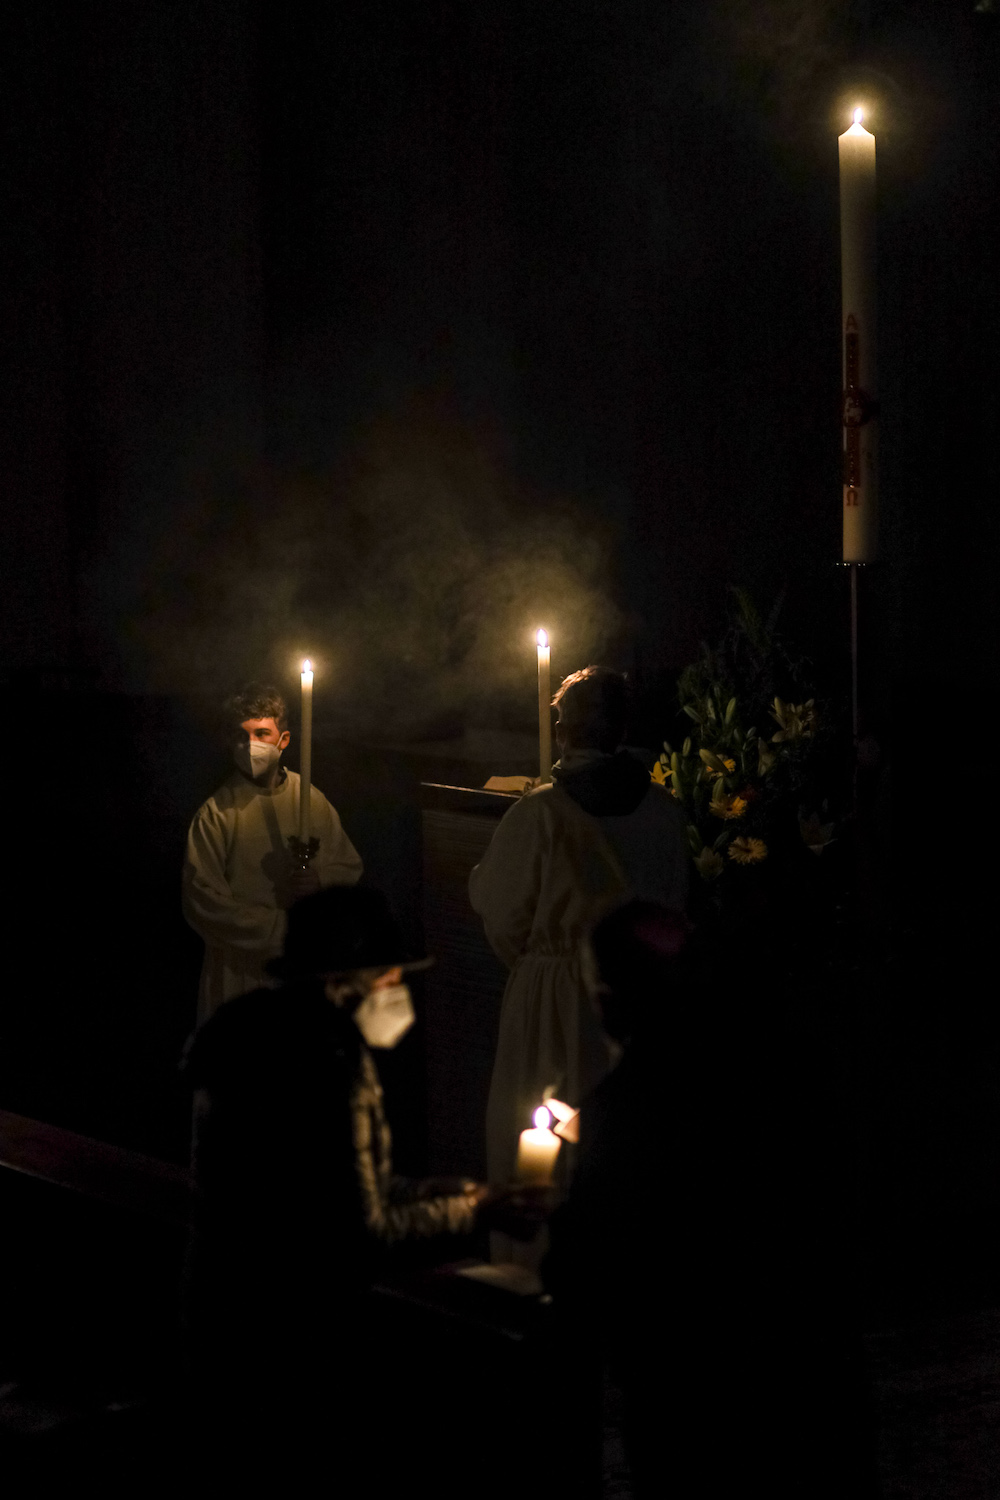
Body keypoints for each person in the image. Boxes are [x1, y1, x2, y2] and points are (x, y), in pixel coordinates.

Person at [182, 885, 547, 1469]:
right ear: (343, 981)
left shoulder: (250, 1037)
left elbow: (337, 1188)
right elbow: (358, 1233)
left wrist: (454, 1193)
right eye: (389, 977)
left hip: (226, 1314)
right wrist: (480, 1212)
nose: (399, 990)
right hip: (294, 1340)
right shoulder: (328, 1067)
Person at [469, 666, 688, 1191]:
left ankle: (536, 1264)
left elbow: (501, 912)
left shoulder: (539, 813)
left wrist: (541, 967)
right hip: (641, 1000)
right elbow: (676, 905)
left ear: (565, 730)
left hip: (555, 995)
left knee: (537, 1142)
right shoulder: (664, 811)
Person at [182, 682, 363, 1022]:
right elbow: (202, 900)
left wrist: (320, 881)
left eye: (262, 733)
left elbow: (349, 865)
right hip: (241, 970)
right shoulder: (217, 813)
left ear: (284, 741)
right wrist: (279, 930)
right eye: (241, 735)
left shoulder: (309, 799)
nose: (251, 745)